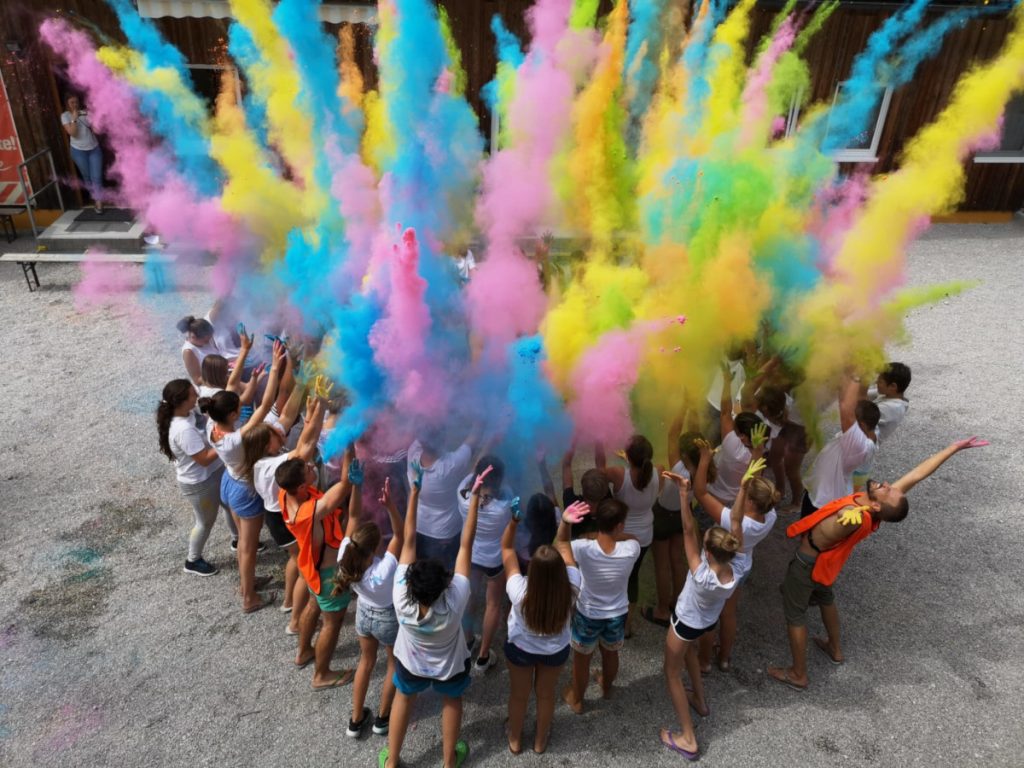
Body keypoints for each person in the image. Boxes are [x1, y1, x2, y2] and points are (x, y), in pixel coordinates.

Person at [768, 435, 988, 691]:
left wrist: (841, 516)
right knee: (826, 598)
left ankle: (798, 674)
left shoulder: (852, 519)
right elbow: (917, 474)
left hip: (807, 564)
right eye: (890, 486)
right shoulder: (877, 507)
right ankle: (835, 648)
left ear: (875, 505)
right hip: (825, 566)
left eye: (887, 490)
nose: (887, 484)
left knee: (795, 615)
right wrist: (954, 448)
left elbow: (830, 527)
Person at [380, 463, 489, 768]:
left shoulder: (400, 595)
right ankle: (448, 762)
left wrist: (414, 492)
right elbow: (466, 543)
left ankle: (392, 762)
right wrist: (475, 499)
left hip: (410, 662)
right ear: (444, 582)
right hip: (450, 664)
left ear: (411, 581)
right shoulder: (456, 595)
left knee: (404, 698)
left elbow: (409, 539)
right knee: (452, 701)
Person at [658, 469, 741, 760]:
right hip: (706, 623)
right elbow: (733, 527)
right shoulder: (735, 570)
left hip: (685, 623)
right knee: (691, 654)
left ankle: (688, 737)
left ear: (707, 552)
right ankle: (701, 702)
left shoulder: (702, 575)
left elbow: (687, 530)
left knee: (671, 672)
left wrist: (684, 493)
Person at [201, 339, 284, 612]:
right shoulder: (235, 439)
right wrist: (274, 369)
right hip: (244, 491)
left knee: (243, 545)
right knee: (248, 547)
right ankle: (249, 598)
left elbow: (229, 388)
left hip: (229, 482)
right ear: (234, 413)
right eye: (239, 406)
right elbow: (265, 404)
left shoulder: (212, 422)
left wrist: (246, 351)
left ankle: (245, 584)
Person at [501, 499, 588, 755]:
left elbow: (506, 549)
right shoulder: (572, 585)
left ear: (532, 571)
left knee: (519, 696)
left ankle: (515, 739)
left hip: (519, 649)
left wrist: (514, 522)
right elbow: (562, 544)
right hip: (554, 651)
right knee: (546, 695)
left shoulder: (519, 591)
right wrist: (564, 522)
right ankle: (540, 741)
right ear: (561, 571)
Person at [693, 439, 779, 671]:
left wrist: (704, 458)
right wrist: (757, 454)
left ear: (749, 500)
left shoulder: (734, 523)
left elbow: (700, 492)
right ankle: (724, 658)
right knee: (729, 614)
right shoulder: (770, 516)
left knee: (709, 614)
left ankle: (704, 662)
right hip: (744, 565)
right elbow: (755, 494)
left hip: (722, 566)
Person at [242, 379, 318, 638]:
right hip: (285, 520)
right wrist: (315, 414)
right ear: (266, 445)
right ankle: (297, 620)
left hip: (275, 519)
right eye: (274, 436)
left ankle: (287, 602)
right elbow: (304, 449)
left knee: (294, 560)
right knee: (305, 568)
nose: (279, 435)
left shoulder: (257, 463)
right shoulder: (276, 465)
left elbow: (295, 441)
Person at [277, 449, 356, 690]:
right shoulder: (306, 513)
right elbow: (344, 486)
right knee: (332, 622)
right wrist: (350, 447)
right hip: (328, 574)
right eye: (309, 470)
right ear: (301, 487)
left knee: (313, 605)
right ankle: (321, 675)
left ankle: (303, 652)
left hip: (310, 568)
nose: (312, 467)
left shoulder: (285, 492)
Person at [336, 477, 404, 738]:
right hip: (387, 617)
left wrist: (356, 485)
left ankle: (355, 720)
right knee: (392, 665)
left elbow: (352, 514)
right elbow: (400, 535)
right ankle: (383, 718)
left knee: (365, 661)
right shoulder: (383, 571)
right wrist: (390, 506)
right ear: (374, 549)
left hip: (363, 613)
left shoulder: (345, 552)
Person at [562, 498, 640, 713]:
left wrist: (572, 527)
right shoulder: (631, 549)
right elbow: (633, 538)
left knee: (581, 660)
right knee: (611, 653)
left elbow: (560, 545)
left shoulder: (583, 548)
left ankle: (577, 699)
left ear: (597, 521)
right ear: (619, 526)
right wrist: (616, 534)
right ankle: (606, 687)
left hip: (588, 613)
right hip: (617, 613)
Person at [156, 379, 237, 576]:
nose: (197, 396)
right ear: (181, 401)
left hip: (212, 474)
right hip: (200, 483)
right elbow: (203, 459)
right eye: (193, 394)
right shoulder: (182, 430)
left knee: (229, 505)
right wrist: (226, 439)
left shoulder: (186, 414)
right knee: (205, 523)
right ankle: (192, 560)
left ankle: (238, 539)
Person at [645, 427, 710, 628]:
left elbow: (672, 432)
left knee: (662, 564)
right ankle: (676, 602)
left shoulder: (677, 465)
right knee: (677, 560)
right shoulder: (703, 472)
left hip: (663, 515)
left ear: (683, 454)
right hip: (683, 515)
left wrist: (681, 400)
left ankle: (662, 610)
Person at [599, 434, 660, 638]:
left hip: (621, 536)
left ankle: (607, 618)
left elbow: (599, 473)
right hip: (644, 537)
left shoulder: (619, 475)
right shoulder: (659, 472)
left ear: (627, 456)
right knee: (632, 578)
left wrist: (599, 443)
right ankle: (626, 626)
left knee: (616, 577)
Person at [457, 455, 513, 672]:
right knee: (492, 604)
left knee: (468, 598)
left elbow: (470, 478)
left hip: (470, 555)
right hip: (494, 560)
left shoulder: (462, 495)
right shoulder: (503, 506)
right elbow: (508, 489)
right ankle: (483, 657)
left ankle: (468, 639)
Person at [802, 374, 879, 517]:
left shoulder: (858, 445)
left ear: (860, 424)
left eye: (853, 420)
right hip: (821, 492)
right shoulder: (868, 430)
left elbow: (846, 409)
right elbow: (857, 398)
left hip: (824, 501)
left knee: (811, 535)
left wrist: (856, 375)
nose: (848, 423)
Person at [405, 431, 476, 570]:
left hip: (418, 525)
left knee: (419, 569)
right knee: (441, 572)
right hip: (445, 533)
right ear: (443, 440)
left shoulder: (412, 453)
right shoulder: (451, 465)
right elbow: (474, 438)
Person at [61, 95, 104, 213]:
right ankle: (94, 196)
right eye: (72, 102)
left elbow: (96, 130)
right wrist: (74, 119)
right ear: (67, 104)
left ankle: (98, 202)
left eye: (76, 102)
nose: (75, 104)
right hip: (78, 151)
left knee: (97, 177)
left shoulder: (85, 113)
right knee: (87, 177)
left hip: (94, 148)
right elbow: (72, 133)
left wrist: (95, 118)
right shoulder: (65, 116)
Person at [869, 362, 911, 443]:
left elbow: (859, 406)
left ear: (893, 386)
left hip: (858, 446)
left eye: (880, 381)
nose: (876, 382)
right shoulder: (891, 395)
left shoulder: (890, 408)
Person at [178, 315, 225, 387]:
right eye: (205, 340)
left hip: (222, 376)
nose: (208, 342)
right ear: (194, 337)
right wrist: (220, 377)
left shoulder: (207, 342)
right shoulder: (189, 351)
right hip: (210, 385)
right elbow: (197, 379)